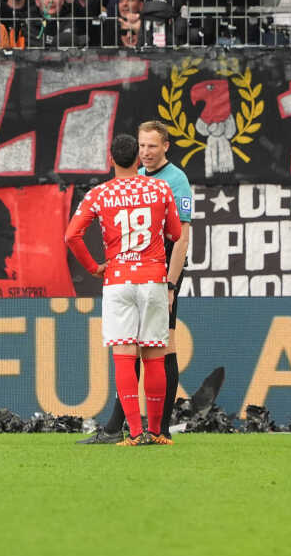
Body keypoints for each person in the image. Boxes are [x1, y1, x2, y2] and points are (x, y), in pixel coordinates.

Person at [80, 120, 194, 444]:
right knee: (133, 346)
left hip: (162, 275)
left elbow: (181, 239)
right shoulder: (138, 177)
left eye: (152, 146)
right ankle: (120, 426)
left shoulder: (176, 180)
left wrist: (171, 285)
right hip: (138, 274)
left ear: (166, 146)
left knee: (162, 347)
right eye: (142, 146)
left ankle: (159, 428)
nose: (146, 152)